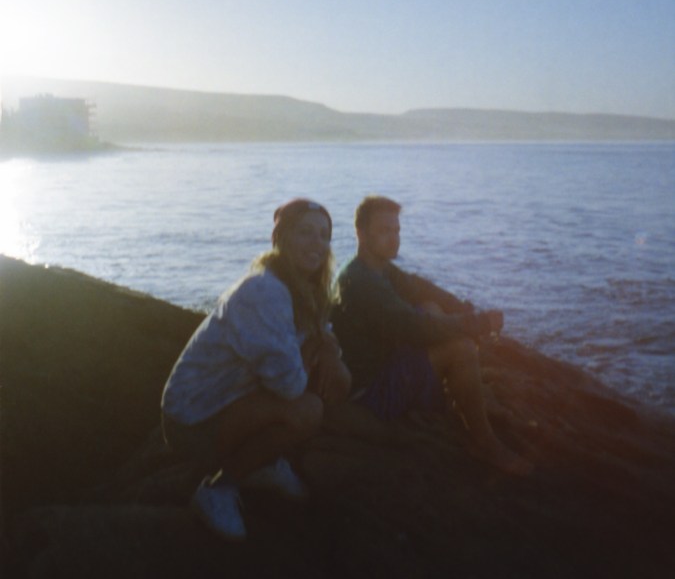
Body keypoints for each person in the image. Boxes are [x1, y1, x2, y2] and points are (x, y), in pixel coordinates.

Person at [161, 199, 351, 540]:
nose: (317, 243)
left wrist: (329, 353)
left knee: (329, 385)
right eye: (305, 232)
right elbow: (291, 387)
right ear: (281, 238)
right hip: (192, 419)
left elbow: (327, 341)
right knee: (307, 410)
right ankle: (219, 488)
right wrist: (317, 352)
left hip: (232, 400)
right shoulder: (265, 291)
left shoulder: (304, 289)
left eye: (324, 235)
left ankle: (261, 463)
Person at [331, 195, 532, 476]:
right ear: (361, 234)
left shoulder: (376, 267)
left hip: (385, 360)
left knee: (430, 306)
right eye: (385, 231)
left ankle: (463, 391)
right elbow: (417, 329)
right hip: (370, 390)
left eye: (397, 230)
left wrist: (463, 309)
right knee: (461, 348)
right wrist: (477, 323)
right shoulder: (361, 282)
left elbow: (419, 288)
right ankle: (484, 443)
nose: (394, 238)